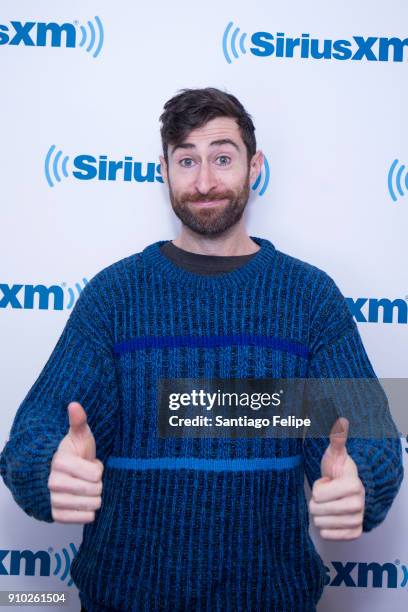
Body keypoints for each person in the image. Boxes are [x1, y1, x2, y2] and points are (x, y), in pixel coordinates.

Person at [0, 87, 403, 612]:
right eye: (187, 159)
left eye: (222, 157)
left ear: (254, 166)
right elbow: (36, 432)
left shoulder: (309, 298)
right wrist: (44, 465)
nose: (205, 180)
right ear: (164, 170)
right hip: (125, 602)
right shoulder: (115, 296)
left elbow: (370, 436)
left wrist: (361, 476)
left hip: (270, 602)